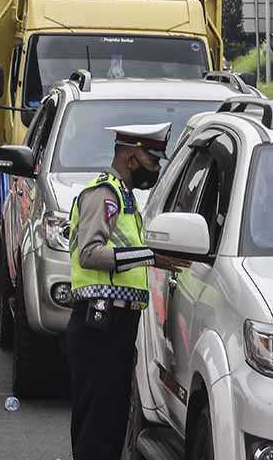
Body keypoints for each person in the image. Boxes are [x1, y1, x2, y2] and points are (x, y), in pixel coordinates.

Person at [66, 123, 189, 459]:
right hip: (98, 323)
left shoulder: (125, 198)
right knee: (98, 424)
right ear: (132, 156)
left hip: (116, 325)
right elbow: (89, 253)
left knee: (111, 420)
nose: (157, 168)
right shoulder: (104, 194)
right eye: (153, 160)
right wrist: (149, 255)